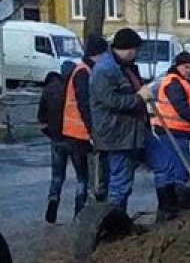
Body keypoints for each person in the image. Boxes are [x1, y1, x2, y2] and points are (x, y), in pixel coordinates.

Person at [89, 28, 152, 211]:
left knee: (165, 163)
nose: (137, 54)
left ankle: (167, 210)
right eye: (136, 50)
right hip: (116, 136)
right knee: (120, 184)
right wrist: (139, 98)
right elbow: (111, 101)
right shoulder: (104, 70)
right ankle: (113, 223)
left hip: (133, 132)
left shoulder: (126, 67)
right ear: (129, 49)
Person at [147, 52, 190, 222]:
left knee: (179, 169)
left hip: (179, 132)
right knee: (177, 170)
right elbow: (182, 108)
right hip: (171, 132)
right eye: (186, 67)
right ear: (177, 65)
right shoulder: (173, 83)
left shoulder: (183, 82)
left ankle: (170, 208)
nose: (189, 70)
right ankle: (171, 208)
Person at [58, 33, 109, 217]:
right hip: (79, 134)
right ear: (99, 54)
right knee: (85, 180)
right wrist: (93, 132)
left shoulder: (84, 70)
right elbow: (85, 104)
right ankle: (80, 215)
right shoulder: (83, 72)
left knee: (86, 179)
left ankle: (82, 214)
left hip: (77, 132)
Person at [38, 71, 67, 223]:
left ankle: (53, 199)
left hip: (56, 139)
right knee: (83, 177)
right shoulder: (69, 88)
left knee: (57, 176)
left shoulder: (46, 91)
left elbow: (41, 121)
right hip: (73, 138)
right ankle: (79, 211)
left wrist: (52, 135)